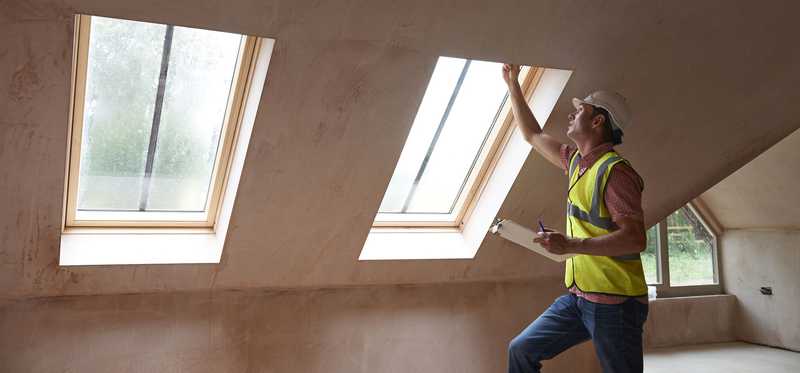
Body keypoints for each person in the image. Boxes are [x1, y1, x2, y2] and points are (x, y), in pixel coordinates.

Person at [502, 64, 649, 373]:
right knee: (521, 350)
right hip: (580, 298)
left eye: (580, 109)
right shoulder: (576, 163)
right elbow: (532, 134)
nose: (571, 114)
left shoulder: (616, 171)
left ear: (597, 121)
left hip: (616, 303)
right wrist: (513, 84)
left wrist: (570, 243)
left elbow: (635, 238)